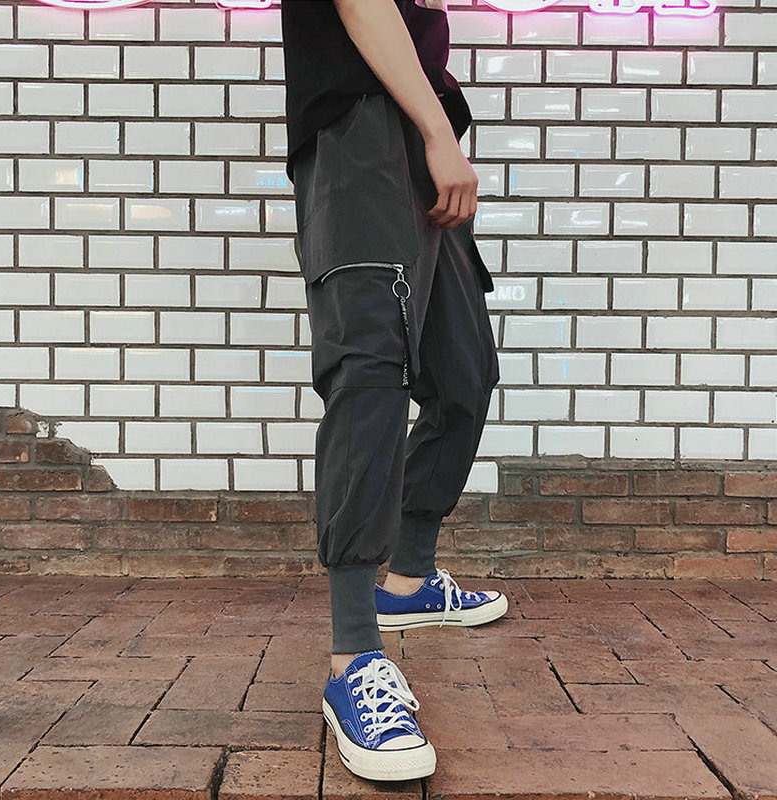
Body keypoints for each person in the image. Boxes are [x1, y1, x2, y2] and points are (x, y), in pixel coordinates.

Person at [280, 0, 507, 782]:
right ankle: (353, 657)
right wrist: (440, 135)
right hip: (358, 131)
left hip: (413, 135)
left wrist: (433, 132)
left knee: (463, 372)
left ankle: (408, 580)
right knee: (369, 371)